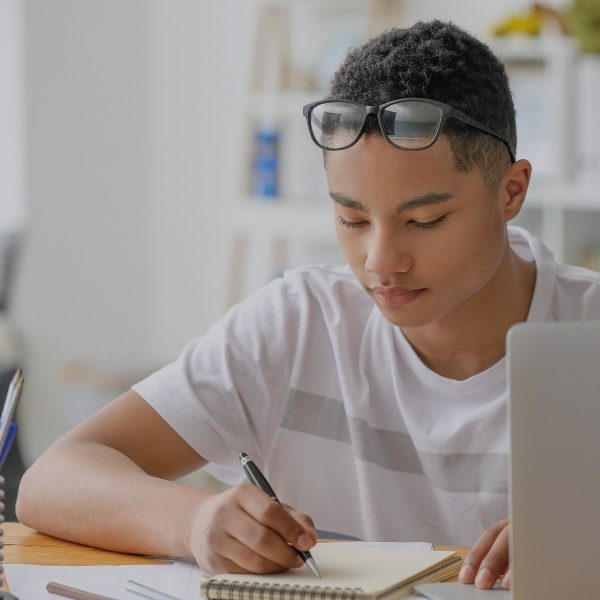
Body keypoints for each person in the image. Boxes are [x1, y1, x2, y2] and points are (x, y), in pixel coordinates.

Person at [16, 19, 600, 590]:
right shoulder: (297, 324)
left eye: (425, 221)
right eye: (351, 218)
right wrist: (192, 521)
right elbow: (52, 480)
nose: (380, 261)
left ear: (510, 192)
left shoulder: (587, 328)